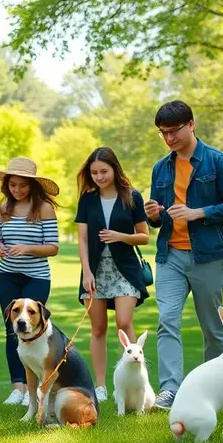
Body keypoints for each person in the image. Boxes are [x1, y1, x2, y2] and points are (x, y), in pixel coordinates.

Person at [144, 100, 223, 410]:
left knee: (212, 328)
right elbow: (158, 218)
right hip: (170, 256)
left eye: (174, 131)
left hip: (208, 257)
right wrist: (153, 215)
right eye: (163, 133)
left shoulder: (217, 162)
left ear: (191, 124)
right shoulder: (161, 167)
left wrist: (197, 212)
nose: (169, 138)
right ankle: (170, 389)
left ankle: (213, 388)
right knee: (167, 320)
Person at [74, 147, 150, 402]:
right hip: (95, 270)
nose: (99, 176)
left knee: (123, 323)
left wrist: (120, 237)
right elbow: (82, 239)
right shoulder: (87, 199)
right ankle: (101, 386)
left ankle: (130, 383)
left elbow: (145, 236)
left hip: (125, 270)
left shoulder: (132, 197)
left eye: (103, 171)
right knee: (98, 328)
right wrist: (86, 272)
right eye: (94, 172)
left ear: (114, 169)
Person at [0, 157, 60, 406]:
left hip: (36, 278)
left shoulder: (44, 209)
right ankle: (17, 388)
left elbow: (53, 248)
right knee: (12, 330)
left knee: (36, 330)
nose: (17, 190)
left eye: (23, 185)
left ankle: (38, 385)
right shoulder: (3, 208)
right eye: (13, 185)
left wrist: (27, 249)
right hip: (7, 275)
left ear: (32, 185)